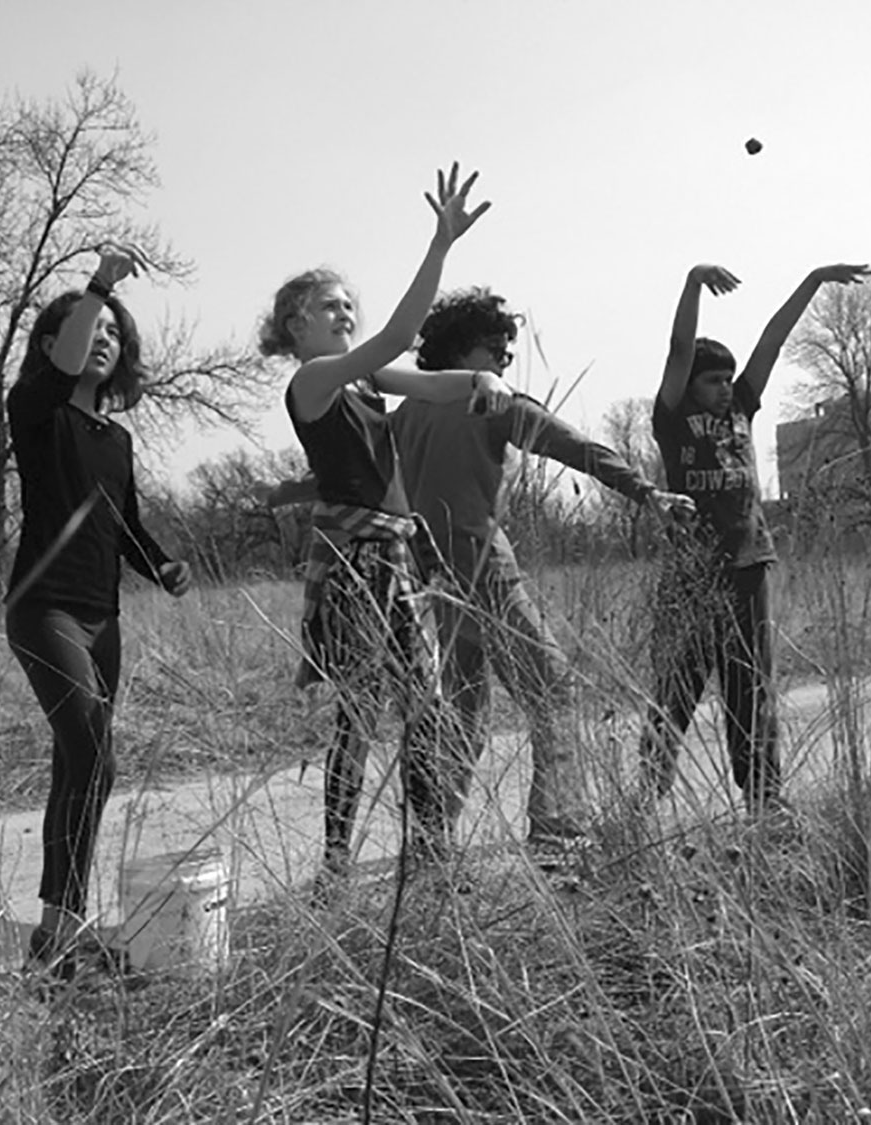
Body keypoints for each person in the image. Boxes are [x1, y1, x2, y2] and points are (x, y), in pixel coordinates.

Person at [260, 163, 512, 890]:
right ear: (295, 325)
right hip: (356, 563)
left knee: (425, 711)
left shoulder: (366, 379)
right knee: (361, 715)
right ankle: (336, 865)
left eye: (348, 305)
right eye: (329, 307)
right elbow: (403, 334)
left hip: (399, 560)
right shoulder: (312, 382)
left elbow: (431, 381)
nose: (345, 314)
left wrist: (479, 380)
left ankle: (427, 856)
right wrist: (440, 246)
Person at [389, 287, 694, 862]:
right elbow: (573, 447)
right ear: (460, 350)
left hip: (432, 578)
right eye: (495, 347)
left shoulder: (405, 413)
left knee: (462, 710)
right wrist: (645, 492)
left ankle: (432, 841)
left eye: (508, 348)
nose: (505, 358)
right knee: (554, 687)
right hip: (484, 567)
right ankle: (557, 829)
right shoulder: (492, 401)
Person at [6, 247, 191, 980]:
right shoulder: (35, 414)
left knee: (76, 767)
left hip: (102, 617)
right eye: (89, 328)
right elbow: (60, 363)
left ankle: (56, 936)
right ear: (53, 348)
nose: (104, 338)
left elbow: (127, 528)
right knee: (94, 754)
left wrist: (164, 564)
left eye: (116, 330)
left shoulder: (117, 438)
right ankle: (63, 928)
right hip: (42, 608)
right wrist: (98, 286)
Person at [639, 261, 871, 816]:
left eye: (726, 379)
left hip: (749, 566)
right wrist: (691, 280)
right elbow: (677, 347)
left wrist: (813, 281)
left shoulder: (743, 405)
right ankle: (646, 796)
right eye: (712, 380)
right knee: (677, 686)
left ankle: (765, 800)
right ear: (689, 385)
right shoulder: (671, 419)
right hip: (693, 575)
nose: (723, 388)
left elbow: (774, 336)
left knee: (750, 688)